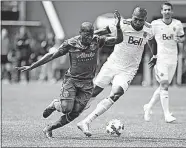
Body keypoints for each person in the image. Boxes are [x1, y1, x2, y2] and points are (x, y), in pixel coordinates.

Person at [16, 10, 123, 139]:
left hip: (88, 84)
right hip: (71, 81)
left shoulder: (97, 40)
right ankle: (55, 104)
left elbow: (118, 40)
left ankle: (50, 128)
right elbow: (52, 55)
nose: (89, 38)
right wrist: (32, 66)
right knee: (66, 108)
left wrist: (117, 27)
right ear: (80, 33)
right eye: (86, 35)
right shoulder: (71, 43)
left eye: (91, 34)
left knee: (75, 112)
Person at [77, 7, 153, 137]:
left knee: (116, 93)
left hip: (128, 70)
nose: (138, 22)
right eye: (135, 19)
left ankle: (86, 121)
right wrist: (89, 36)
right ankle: (73, 111)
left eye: (141, 20)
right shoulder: (123, 24)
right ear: (132, 16)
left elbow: (150, 40)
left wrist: (155, 55)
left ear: (145, 19)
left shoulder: (149, 29)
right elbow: (106, 30)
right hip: (112, 64)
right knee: (93, 92)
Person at [143, 2, 185, 123]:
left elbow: (183, 37)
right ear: (161, 11)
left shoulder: (177, 24)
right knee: (165, 85)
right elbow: (150, 39)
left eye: (169, 10)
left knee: (163, 87)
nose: (166, 12)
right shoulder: (155, 24)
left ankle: (148, 106)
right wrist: (154, 55)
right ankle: (167, 115)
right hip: (161, 59)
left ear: (172, 11)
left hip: (173, 59)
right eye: (164, 10)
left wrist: (180, 40)